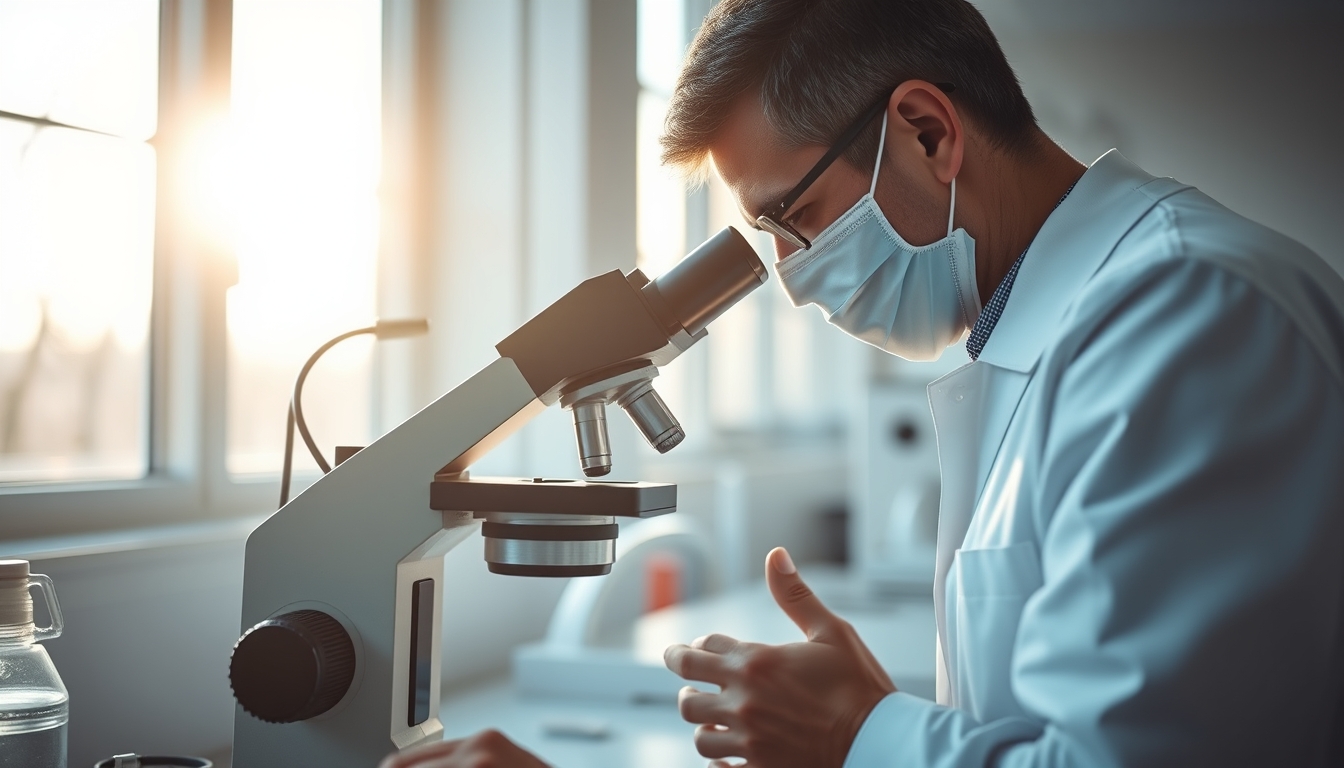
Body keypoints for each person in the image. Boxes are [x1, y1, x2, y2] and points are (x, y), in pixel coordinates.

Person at [383, 0, 1344, 765]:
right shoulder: (1044, 336)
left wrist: (863, 736)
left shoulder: (1184, 314)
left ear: (927, 132)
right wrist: (873, 726)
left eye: (798, 219)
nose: (795, 283)